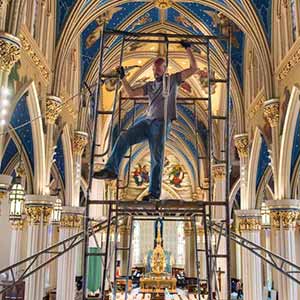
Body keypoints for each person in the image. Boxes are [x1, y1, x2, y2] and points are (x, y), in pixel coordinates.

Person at [94, 41, 198, 201]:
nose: (156, 72)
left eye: (158, 69)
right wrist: (123, 78)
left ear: (165, 69)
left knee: (157, 157)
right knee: (124, 138)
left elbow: (193, 69)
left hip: (161, 123)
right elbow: (131, 93)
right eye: (154, 70)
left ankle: (154, 193)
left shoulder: (172, 81)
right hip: (147, 122)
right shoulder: (149, 86)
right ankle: (111, 169)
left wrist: (188, 48)